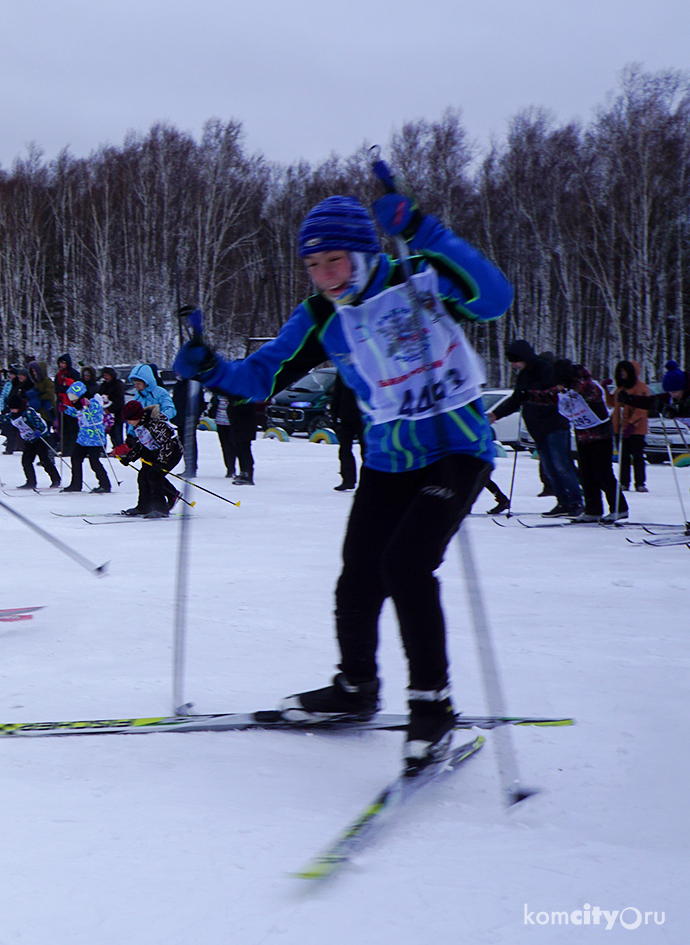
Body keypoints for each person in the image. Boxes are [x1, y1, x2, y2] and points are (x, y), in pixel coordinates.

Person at [172, 189, 512, 774]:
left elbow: (494, 297)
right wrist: (212, 368)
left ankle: (433, 706)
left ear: (365, 253)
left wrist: (427, 231)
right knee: (358, 575)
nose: (326, 276)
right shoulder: (322, 316)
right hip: (387, 459)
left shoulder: (419, 277)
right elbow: (260, 377)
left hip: (455, 448)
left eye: (335, 260)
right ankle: (356, 688)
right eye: (312, 264)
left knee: (405, 565)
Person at [491, 340, 582, 517]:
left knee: (561, 465)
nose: (515, 365)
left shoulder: (545, 369)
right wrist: (495, 414)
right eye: (512, 361)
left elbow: (554, 394)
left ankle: (576, 501)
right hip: (537, 428)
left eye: (516, 360)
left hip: (554, 424)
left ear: (525, 356)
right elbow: (516, 399)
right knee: (549, 468)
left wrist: (529, 396)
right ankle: (563, 502)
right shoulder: (523, 375)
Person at [558, 361, 618, 521]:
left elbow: (593, 393)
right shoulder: (567, 390)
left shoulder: (589, 385)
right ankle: (593, 510)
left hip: (601, 435)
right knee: (586, 474)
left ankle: (618, 507)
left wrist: (571, 385)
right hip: (582, 436)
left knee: (602, 473)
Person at [110, 400, 179, 517]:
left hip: (171, 453)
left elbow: (167, 445)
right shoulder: (141, 425)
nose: (129, 422)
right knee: (143, 476)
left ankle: (160, 508)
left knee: (154, 475)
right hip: (154, 452)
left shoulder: (155, 425)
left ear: (137, 416)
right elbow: (141, 444)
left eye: (130, 419)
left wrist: (161, 462)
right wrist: (129, 457)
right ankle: (144, 506)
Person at [0, 392, 61, 489]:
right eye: (11, 408)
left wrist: (38, 431)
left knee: (44, 460)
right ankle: (31, 482)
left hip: (41, 439)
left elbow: (40, 424)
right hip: (29, 440)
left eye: (14, 408)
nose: (13, 410)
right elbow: (4, 419)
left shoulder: (29, 412)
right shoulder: (13, 415)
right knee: (26, 461)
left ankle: (56, 480)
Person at [59, 380, 112, 493]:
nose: (73, 400)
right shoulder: (80, 406)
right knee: (75, 459)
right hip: (83, 438)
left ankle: (105, 484)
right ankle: (76, 484)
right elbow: (77, 413)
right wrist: (66, 409)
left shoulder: (94, 401)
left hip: (94, 438)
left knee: (94, 461)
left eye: (74, 397)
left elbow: (95, 410)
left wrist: (89, 405)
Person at [611, 361, 648, 494]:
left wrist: (631, 424)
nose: (622, 374)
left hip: (636, 429)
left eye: (624, 371)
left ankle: (640, 483)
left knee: (637, 456)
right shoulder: (620, 388)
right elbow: (612, 403)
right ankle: (624, 482)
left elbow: (641, 409)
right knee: (623, 456)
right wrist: (606, 391)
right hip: (620, 428)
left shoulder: (641, 388)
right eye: (620, 372)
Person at [330, 377, 364, 491]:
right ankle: (347, 480)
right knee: (344, 449)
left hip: (363, 417)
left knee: (367, 451)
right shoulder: (343, 371)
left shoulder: (366, 368)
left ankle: (366, 481)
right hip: (345, 417)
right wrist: (334, 413)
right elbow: (337, 393)